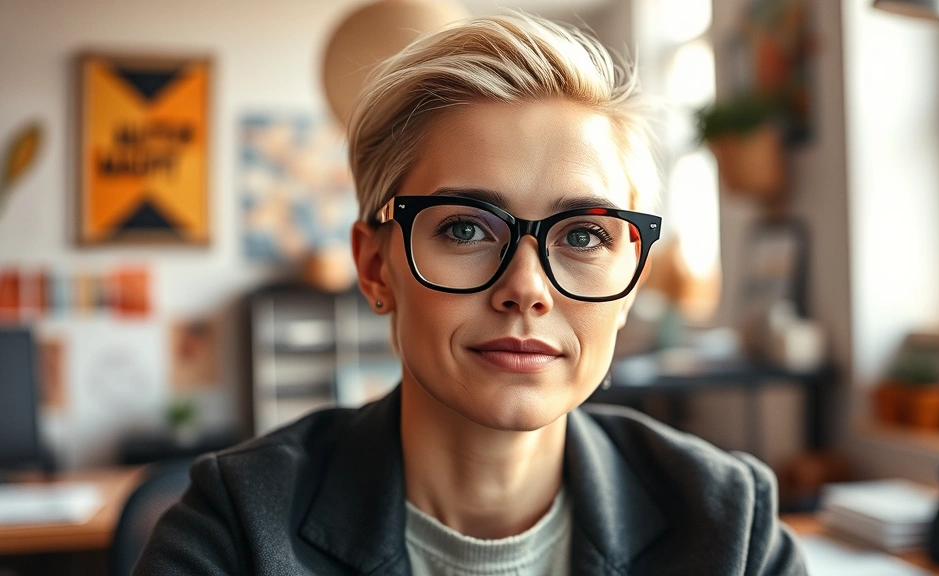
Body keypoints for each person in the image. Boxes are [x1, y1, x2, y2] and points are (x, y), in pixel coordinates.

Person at [134, 13, 806, 576]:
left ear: (632, 276)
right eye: (464, 228)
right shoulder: (236, 532)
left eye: (582, 237)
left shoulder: (729, 527)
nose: (526, 289)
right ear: (375, 267)